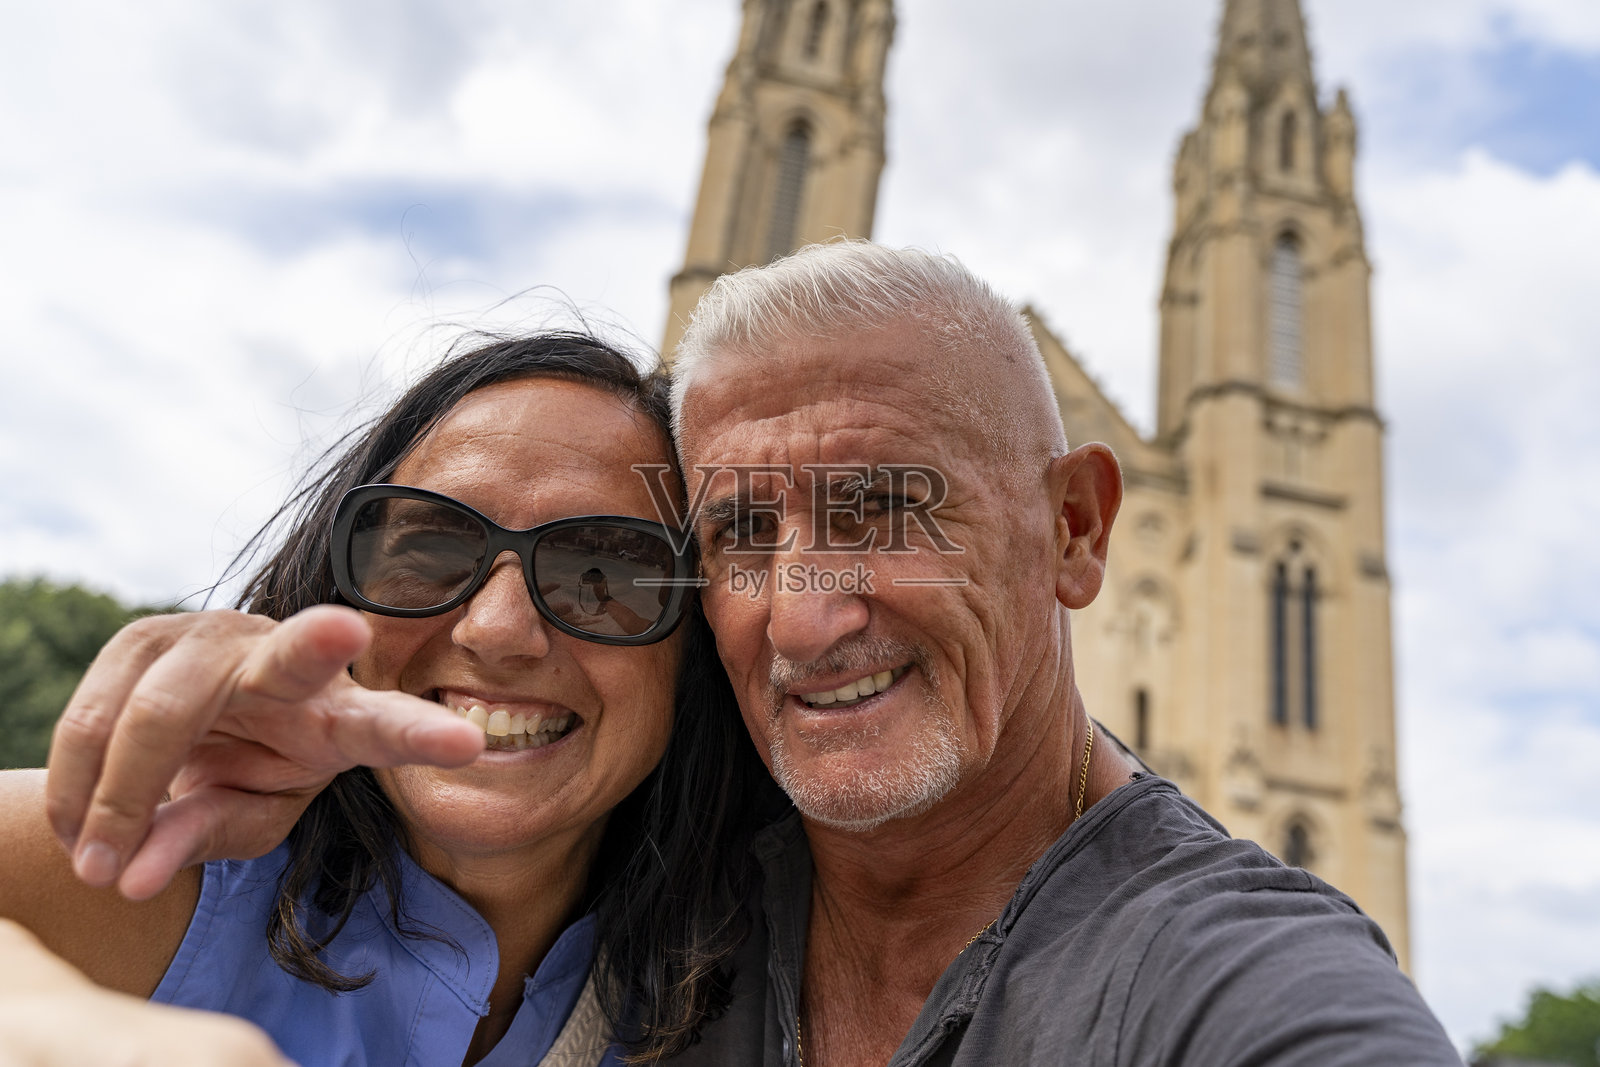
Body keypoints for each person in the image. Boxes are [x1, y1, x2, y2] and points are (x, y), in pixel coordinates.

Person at [33, 243, 1462, 1065]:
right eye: (735, 535)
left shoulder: (1222, 975)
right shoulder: (647, 876)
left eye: (889, 511)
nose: (810, 611)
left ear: (1073, 531)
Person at [0, 332, 776, 1066]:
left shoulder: (761, 986)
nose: (499, 629)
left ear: (695, 646)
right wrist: (53, 1021)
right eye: (431, 549)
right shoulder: (162, 866)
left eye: (606, 572)